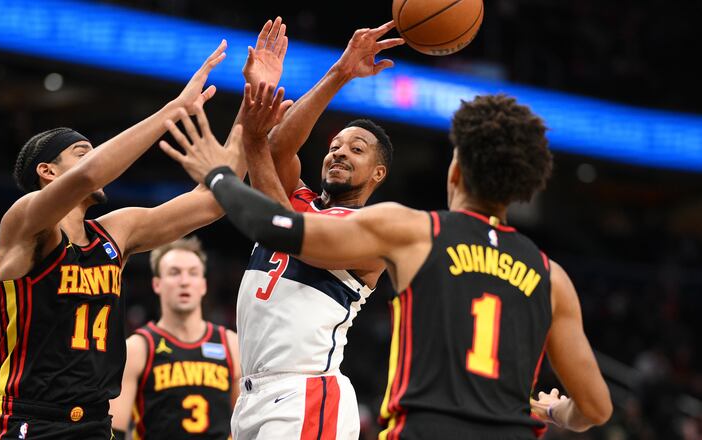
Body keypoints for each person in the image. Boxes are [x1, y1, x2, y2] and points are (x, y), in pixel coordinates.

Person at [162, 93, 614, 439]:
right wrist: (554, 410)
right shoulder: (551, 277)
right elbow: (596, 408)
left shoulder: (415, 231)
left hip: (410, 424)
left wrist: (218, 173)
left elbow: (277, 227)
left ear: (455, 172)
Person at [0, 42, 245, 440]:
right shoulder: (24, 220)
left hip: (94, 423)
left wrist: (251, 117)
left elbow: (212, 202)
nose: (96, 159)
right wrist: (174, 110)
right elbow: (89, 174)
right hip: (28, 421)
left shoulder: (115, 232)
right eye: (82, 152)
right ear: (48, 171)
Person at [224, 19, 403, 439]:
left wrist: (254, 142)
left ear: (378, 173)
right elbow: (276, 149)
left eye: (356, 149)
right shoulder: (297, 200)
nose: (339, 152)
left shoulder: (372, 230)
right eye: (334, 146)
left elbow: (285, 229)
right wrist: (341, 72)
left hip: (306, 393)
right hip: (252, 395)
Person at [108, 237, 241, 439]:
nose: (184, 281)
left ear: (203, 285)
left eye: (193, 273)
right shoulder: (138, 348)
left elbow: (244, 424)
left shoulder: (231, 344)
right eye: (174, 272)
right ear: (157, 284)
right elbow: (114, 431)